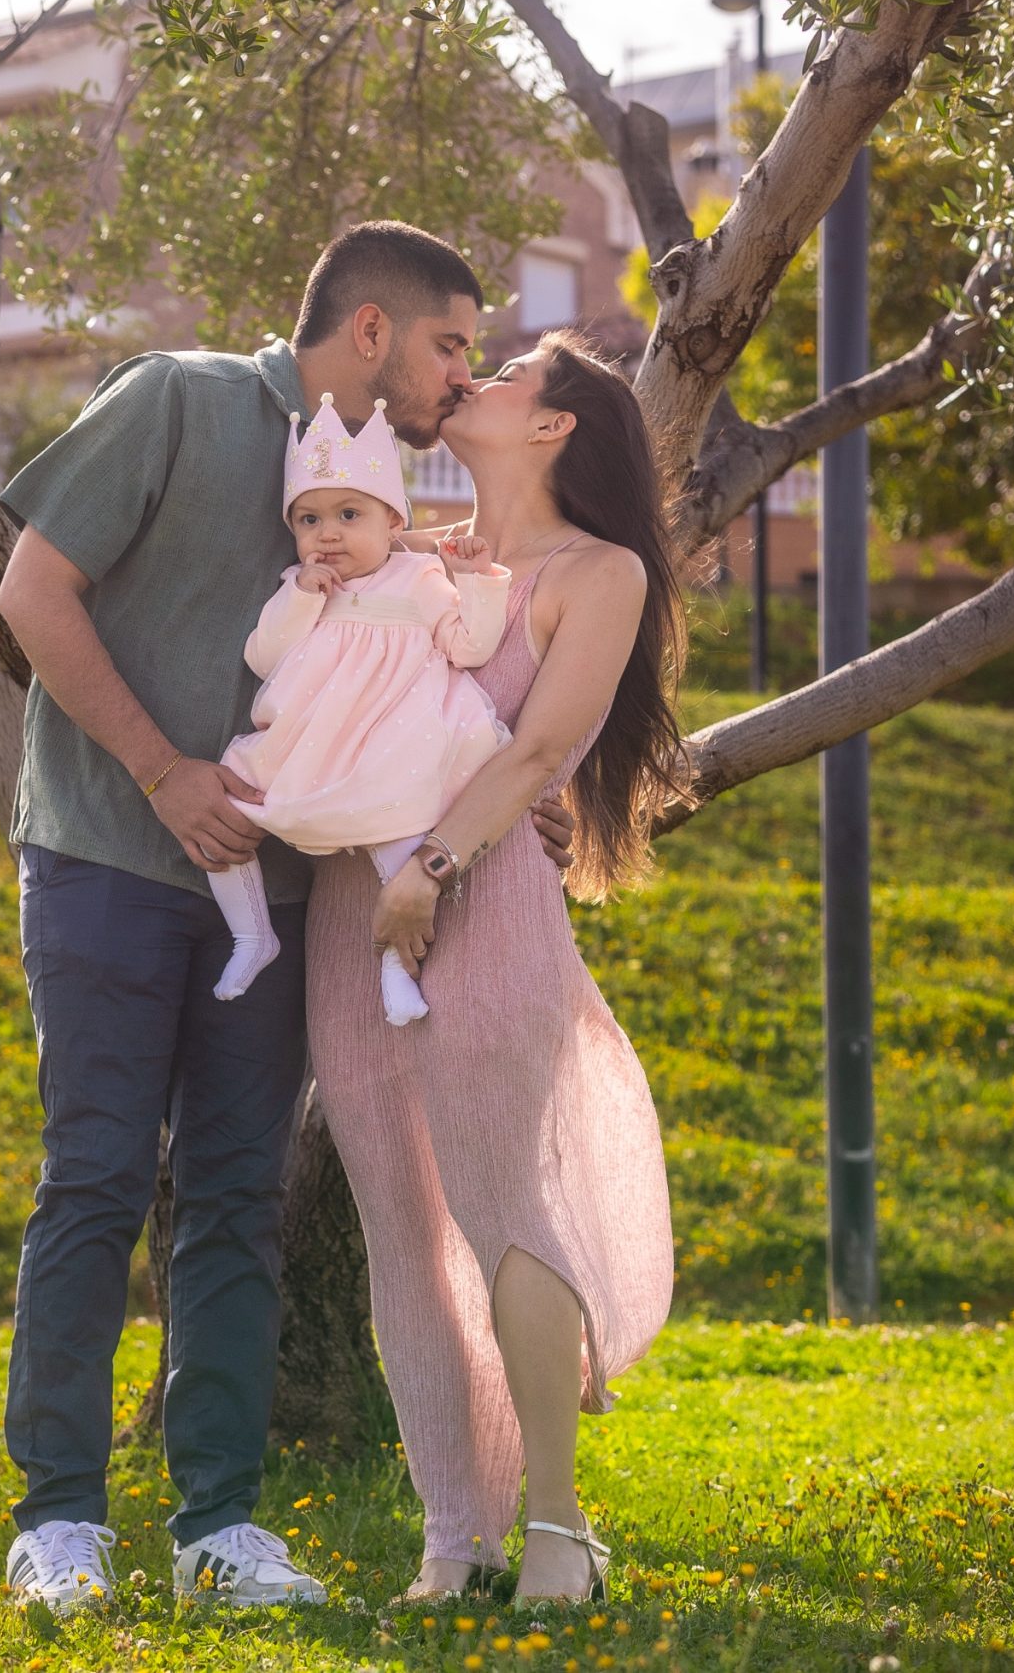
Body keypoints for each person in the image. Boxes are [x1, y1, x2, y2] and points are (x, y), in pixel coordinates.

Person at [0, 220, 574, 1615]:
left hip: (288, 898)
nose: (460, 374)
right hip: (108, 867)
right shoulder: (177, 400)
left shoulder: (396, 515)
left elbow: (450, 672)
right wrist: (161, 770)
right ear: (369, 332)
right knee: (95, 1182)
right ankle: (59, 1520)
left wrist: (504, 797)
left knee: (239, 1202)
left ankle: (217, 1527)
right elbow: (29, 588)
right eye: (447, 343)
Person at [306, 328, 686, 1606]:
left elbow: (534, 758)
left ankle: (557, 1531)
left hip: (482, 903)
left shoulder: (602, 571)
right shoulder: (412, 553)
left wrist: (431, 868)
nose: (481, 374)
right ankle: (448, 1536)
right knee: (401, 1228)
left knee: (500, 1207)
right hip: (349, 919)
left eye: (513, 369)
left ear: (554, 425)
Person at [206, 389, 512, 1026]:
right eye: (309, 521)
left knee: (399, 851)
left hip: (388, 740)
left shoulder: (418, 579)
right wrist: (302, 599)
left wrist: (477, 582)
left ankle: (396, 969)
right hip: (307, 741)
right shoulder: (300, 586)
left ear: (394, 522)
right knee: (226, 814)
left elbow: (469, 647)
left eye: (349, 514)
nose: (328, 534)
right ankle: (252, 935)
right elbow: (265, 659)